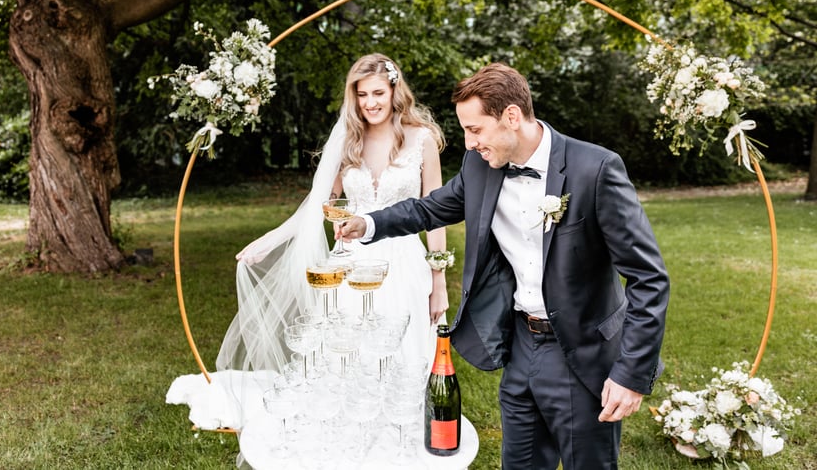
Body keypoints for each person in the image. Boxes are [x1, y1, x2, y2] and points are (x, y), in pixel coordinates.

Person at [337, 62, 670, 469]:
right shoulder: (480, 166)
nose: (469, 142)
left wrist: (630, 374)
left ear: (511, 116)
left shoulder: (595, 169)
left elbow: (649, 279)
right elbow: (430, 209)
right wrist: (369, 223)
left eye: (475, 129)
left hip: (582, 355)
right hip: (520, 347)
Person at [216, 53, 450, 374]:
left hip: (405, 263)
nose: (370, 103)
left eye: (378, 93)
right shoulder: (348, 141)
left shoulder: (422, 139)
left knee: (403, 356)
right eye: (362, 94)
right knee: (346, 357)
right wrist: (270, 240)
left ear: (395, 91)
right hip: (351, 264)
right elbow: (318, 205)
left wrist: (439, 283)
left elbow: (435, 215)